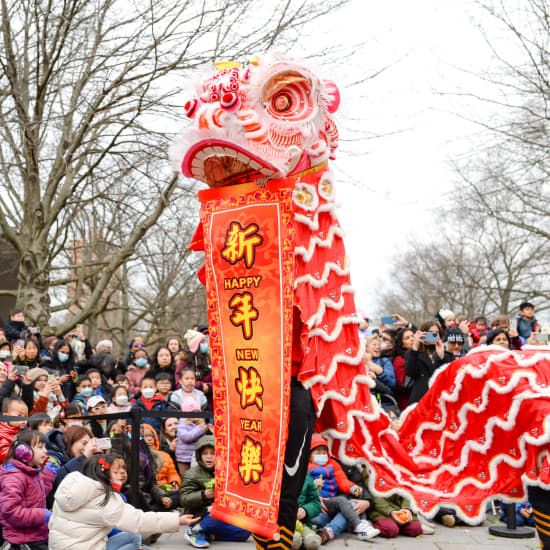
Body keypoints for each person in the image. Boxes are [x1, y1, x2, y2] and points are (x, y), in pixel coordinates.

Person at [48, 453, 199, 549]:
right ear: (103, 474)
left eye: (123, 470)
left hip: (58, 546)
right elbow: (138, 520)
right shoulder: (104, 499)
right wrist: (177, 520)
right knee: (134, 539)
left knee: (136, 541)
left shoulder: (70, 484)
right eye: (116, 472)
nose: (122, 475)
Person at [307, 435, 380, 543]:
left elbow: (342, 479)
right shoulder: (307, 467)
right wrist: (314, 497)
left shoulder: (333, 464)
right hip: (318, 504)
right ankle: (358, 524)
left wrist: (353, 488)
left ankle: (332, 530)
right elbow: (304, 486)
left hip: (332, 501)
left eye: (324, 453)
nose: (322, 455)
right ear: (309, 455)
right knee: (345, 508)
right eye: (318, 453)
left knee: (350, 505)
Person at [180, 434, 250, 547]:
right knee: (219, 509)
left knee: (245, 531)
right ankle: (195, 530)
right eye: (205, 453)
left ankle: (207, 534)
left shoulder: (223, 471)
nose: (208, 457)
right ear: (199, 455)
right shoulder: (191, 474)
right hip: (198, 514)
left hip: (217, 516)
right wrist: (203, 495)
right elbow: (184, 499)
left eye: (213, 453)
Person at [0, 430, 57, 550]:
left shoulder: (31, 472)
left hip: (37, 536)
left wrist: (47, 476)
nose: (45, 451)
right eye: (40, 447)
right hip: (23, 541)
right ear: (23, 451)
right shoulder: (14, 477)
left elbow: (35, 496)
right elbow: (10, 512)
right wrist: (42, 515)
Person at [405, 322, 453, 405]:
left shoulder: (447, 355)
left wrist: (441, 357)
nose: (433, 335)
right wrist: (415, 347)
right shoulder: (414, 353)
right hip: (420, 398)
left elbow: (448, 377)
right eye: (430, 333)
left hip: (439, 398)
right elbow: (410, 372)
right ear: (423, 334)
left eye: (436, 333)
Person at [142, 423, 181, 511]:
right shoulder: (138, 456)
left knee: (182, 493)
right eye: (145, 436)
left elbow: (172, 473)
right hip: (150, 492)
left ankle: (167, 503)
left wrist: (174, 482)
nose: (149, 439)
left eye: (152, 436)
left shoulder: (165, 455)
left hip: (167, 490)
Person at [0, 397, 29, 462]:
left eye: (26, 416)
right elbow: (4, 455)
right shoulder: (2, 433)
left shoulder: (24, 431)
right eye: (19, 415)